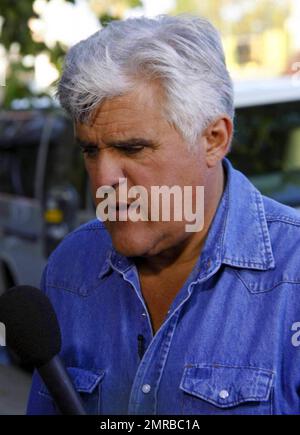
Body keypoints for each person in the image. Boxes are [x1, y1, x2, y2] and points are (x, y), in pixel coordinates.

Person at [27, 15, 300, 415]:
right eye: (89, 151)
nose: (104, 180)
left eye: (133, 149)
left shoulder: (293, 277)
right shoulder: (69, 271)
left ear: (214, 139)